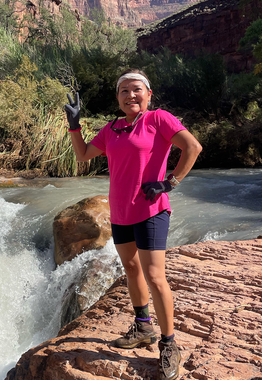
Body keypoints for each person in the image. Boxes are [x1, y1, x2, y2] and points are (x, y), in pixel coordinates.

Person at [64, 68, 202, 380]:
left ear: (149, 94)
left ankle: (169, 345)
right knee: (132, 269)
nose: (131, 95)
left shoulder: (159, 119)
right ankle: (143, 327)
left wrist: (170, 183)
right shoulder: (111, 128)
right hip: (121, 212)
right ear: (118, 98)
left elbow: (192, 147)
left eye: (137, 89)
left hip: (152, 209)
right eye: (124, 91)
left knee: (155, 276)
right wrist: (74, 127)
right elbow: (84, 155)